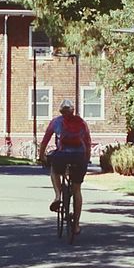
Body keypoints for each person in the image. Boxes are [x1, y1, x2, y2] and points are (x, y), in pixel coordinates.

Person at [40, 100, 92, 234]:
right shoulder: (81, 123)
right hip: (79, 157)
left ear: (61, 111)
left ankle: (57, 196)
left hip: (62, 156)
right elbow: (87, 142)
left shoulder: (56, 122)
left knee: (54, 169)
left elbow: (45, 140)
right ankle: (76, 225)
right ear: (73, 111)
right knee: (77, 190)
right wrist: (86, 159)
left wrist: (42, 156)